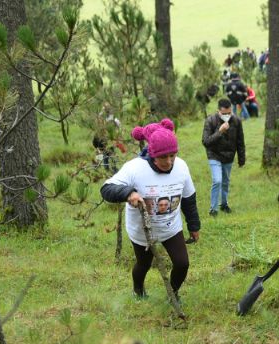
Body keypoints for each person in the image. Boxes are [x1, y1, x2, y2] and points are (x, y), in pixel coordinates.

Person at [100, 119, 201, 301]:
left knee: (182, 263)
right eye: (163, 157)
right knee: (143, 264)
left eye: (173, 155)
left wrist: (194, 226)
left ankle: (173, 293)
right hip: (142, 230)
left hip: (171, 227)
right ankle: (138, 290)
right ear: (152, 153)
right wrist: (128, 193)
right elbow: (106, 189)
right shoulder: (135, 168)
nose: (169, 161)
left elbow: (189, 199)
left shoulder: (182, 167)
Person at [201, 98, 246, 216]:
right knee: (217, 180)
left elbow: (240, 141)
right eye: (224, 114)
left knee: (225, 181)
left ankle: (224, 204)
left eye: (229, 113)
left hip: (229, 156)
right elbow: (206, 141)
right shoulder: (210, 121)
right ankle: (213, 209)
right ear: (218, 111)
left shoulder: (236, 121)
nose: (227, 115)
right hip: (214, 155)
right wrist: (220, 131)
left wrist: (241, 159)